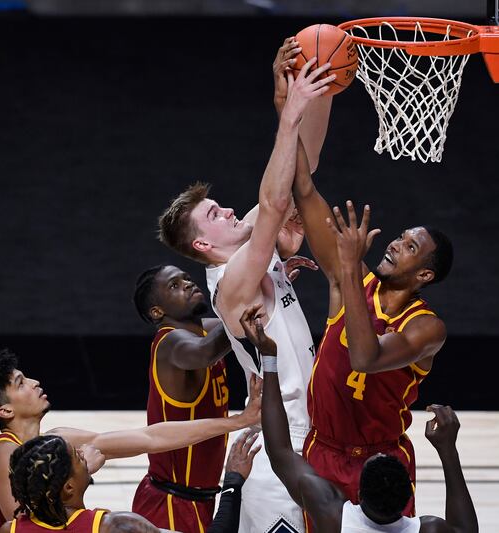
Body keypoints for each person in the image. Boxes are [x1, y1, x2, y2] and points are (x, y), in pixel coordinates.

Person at [156, 40, 332, 533]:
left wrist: (323, 89)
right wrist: (289, 114)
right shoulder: (230, 283)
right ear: (203, 245)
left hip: (314, 436)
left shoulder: (251, 251)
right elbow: (274, 203)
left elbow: (301, 172)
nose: (229, 210)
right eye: (215, 215)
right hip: (281, 448)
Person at [289, 93, 453, 516]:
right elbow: (303, 189)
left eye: (410, 246)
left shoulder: (426, 328)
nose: (397, 243)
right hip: (322, 449)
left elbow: (365, 357)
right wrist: (285, 108)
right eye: (400, 236)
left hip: (381, 463)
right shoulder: (351, 279)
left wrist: (345, 270)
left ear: (424, 275)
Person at [0, 349, 260, 533]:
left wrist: (237, 421)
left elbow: (149, 437)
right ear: (5, 410)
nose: (34, 382)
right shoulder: (2, 453)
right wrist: (83, 469)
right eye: (21, 383)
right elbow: (32, 522)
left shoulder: (58, 441)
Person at [239, 307, 477, 533]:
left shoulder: (333, 518)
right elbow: (465, 530)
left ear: (359, 494)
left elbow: (279, 451)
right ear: (408, 497)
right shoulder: (427, 529)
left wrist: (269, 358)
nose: (379, 454)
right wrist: (447, 450)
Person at [130, 264, 233, 532]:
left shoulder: (203, 331)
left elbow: (237, 327)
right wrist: (243, 301)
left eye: (186, 278)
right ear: (157, 312)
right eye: (174, 285)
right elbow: (205, 352)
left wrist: (274, 289)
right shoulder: (170, 344)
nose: (187, 283)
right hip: (171, 504)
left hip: (197, 499)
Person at [0, 429, 261, 533]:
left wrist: (81, 472)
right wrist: (233, 481)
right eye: (77, 456)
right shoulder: (116, 526)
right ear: (67, 487)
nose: (84, 453)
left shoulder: (9, 530)